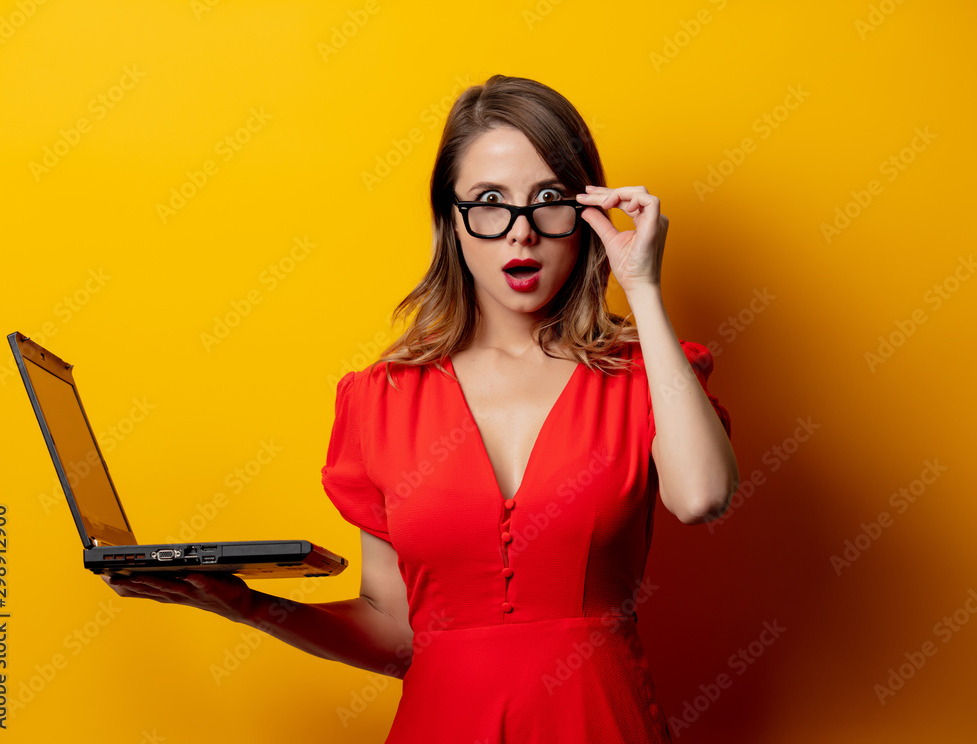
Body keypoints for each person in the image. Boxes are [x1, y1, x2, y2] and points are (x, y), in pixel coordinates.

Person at [104, 74, 739, 743]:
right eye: (489, 203)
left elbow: (702, 495)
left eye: (548, 200)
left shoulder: (644, 375)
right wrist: (249, 606)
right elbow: (396, 635)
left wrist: (641, 285)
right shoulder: (380, 400)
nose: (520, 236)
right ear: (450, 220)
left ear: (586, 217)